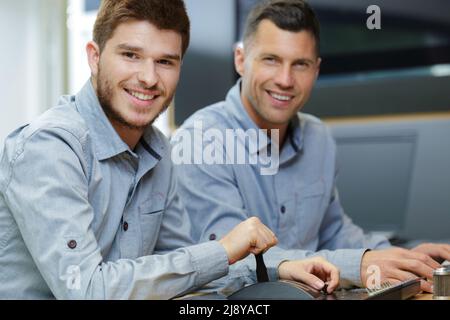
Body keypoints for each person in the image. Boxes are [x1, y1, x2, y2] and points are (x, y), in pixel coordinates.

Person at [0, 0, 340, 299]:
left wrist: (276, 269)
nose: (148, 77)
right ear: (94, 56)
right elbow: (88, 290)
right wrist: (222, 250)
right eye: (131, 55)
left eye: (165, 61)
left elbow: (185, 270)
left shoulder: (159, 152)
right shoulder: (48, 148)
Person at [172, 0, 450, 292]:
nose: (285, 80)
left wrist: (402, 256)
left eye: (300, 64)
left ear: (316, 70)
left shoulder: (318, 137)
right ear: (241, 60)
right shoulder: (201, 140)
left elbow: (335, 232)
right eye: (271, 60)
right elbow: (231, 261)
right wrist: (358, 265)